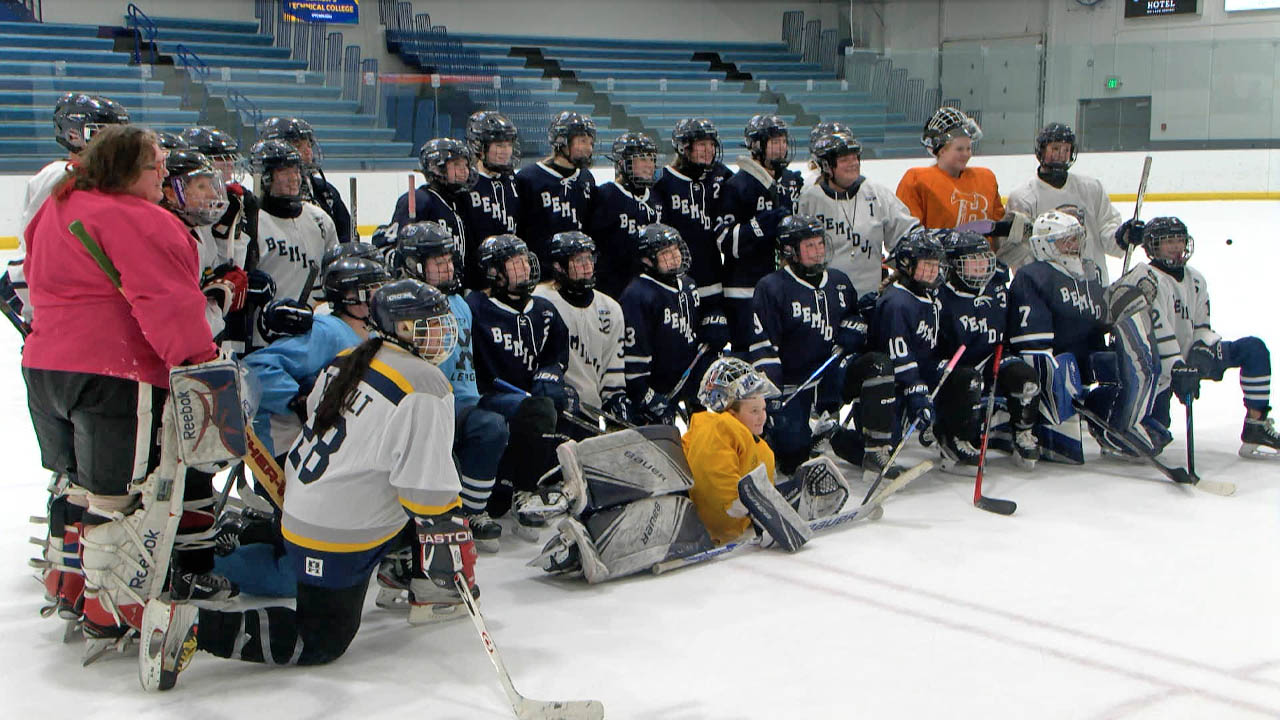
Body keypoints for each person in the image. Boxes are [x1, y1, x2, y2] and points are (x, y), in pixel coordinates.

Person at [143, 279, 476, 690]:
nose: (440, 332)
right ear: (399, 329)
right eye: (425, 324)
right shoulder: (425, 385)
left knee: (437, 475)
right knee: (321, 638)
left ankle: (402, 570)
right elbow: (425, 493)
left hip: (303, 503)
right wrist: (446, 538)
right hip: (335, 533)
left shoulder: (349, 358)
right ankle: (192, 627)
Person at [21, 124, 218, 656]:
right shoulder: (141, 219)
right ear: (130, 170)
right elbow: (169, 304)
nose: (163, 175)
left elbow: (32, 282)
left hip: (44, 369)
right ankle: (109, 613)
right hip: (113, 373)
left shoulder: (56, 208)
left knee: (78, 485)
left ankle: (70, 585)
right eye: (156, 165)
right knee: (119, 501)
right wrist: (201, 361)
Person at [748, 214, 897, 477]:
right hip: (795, 384)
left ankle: (875, 451)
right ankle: (830, 435)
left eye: (820, 244)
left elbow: (853, 317)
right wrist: (771, 395)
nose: (818, 252)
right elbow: (763, 347)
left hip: (834, 377)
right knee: (793, 458)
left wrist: (856, 325)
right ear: (789, 251)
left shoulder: (838, 281)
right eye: (809, 247)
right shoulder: (771, 287)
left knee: (877, 364)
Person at [397, 222, 508, 549]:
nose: (447, 267)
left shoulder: (460, 304)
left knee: (493, 428)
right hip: (426, 406)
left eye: (449, 260)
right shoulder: (401, 308)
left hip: (464, 403)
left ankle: (472, 512)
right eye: (437, 261)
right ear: (416, 265)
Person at [1129, 217, 1278, 459]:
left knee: (1253, 349)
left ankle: (1256, 426)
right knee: (1156, 430)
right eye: (1169, 242)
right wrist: (1177, 369)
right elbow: (1158, 333)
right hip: (1154, 365)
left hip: (1186, 356)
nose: (1177, 247)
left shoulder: (1196, 279)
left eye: (1179, 240)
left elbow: (1202, 325)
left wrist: (1201, 351)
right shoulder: (1146, 279)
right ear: (1152, 246)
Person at [466, 234, 573, 526]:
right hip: (490, 395)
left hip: (530, 396)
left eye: (525, 261)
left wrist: (551, 373)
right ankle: (523, 489)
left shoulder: (543, 309)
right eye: (515, 263)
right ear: (495, 273)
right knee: (538, 411)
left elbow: (556, 351)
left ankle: (543, 480)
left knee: (563, 404)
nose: (525, 268)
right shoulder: (476, 308)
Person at [2, 93, 130, 333]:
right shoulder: (58, 175)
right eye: (100, 132)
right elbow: (38, 245)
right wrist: (36, 311)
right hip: (58, 306)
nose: (113, 143)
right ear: (72, 133)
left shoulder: (108, 178)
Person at [1007, 211, 1112, 464]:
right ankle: (1036, 424)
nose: (1073, 246)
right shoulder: (1033, 276)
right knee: (1045, 363)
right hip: (1056, 360)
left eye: (1075, 239)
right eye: (1065, 241)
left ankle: (1115, 422)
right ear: (1044, 245)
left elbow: (1099, 322)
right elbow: (1032, 341)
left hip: (1084, 355)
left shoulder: (1091, 272)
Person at [935, 229, 1041, 469]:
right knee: (967, 381)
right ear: (952, 266)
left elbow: (1010, 326)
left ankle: (1021, 432)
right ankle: (954, 438)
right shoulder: (939, 296)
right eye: (972, 264)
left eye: (984, 262)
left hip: (993, 358)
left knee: (1026, 379)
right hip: (957, 367)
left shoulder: (997, 289)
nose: (981, 269)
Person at [716, 114, 804, 352]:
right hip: (744, 288)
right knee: (747, 354)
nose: (782, 147)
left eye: (784, 141)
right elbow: (726, 243)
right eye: (775, 142)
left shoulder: (790, 181)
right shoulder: (737, 185)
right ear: (756, 146)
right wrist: (759, 226)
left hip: (784, 284)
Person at [1004, 123, 1132, 282]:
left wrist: (1123, 237)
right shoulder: (1022, 198)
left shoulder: (1091, 189)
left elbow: (1107, 230)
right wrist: (1033, 286)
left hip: (1092, 285)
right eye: (1055, 149)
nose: (1061, 155)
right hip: (1049, 291)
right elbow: (1020, 253)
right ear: (1042, 150)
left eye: (1066, 149)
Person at [872, 230, 955, 472]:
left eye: (935, 265)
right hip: (892, 382)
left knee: (958, 378)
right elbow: (898, 354)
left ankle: (949, 434)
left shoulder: (929, 294)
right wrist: (915, 388)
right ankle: (852, 444)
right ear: (908, 265)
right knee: (891, 437)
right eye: (926, 265)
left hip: (918, 372)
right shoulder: (897, 302)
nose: (933, 271)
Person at [798, 130, 919, 296]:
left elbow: (908, 235)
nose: (853, 163)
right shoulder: (808, 198)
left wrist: (902, 269)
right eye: (844, 159)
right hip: (824, 298)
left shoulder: (876, 193)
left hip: (870, 297)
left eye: (855, 158)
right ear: (827, 165)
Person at [619, 224, 716, 424]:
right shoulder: (637, 295)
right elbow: (633, 361)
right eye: (665, 252)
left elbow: (696, 328)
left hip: (688, 387)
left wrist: (713, 320)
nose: (675, 256)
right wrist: (645, 395)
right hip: (654, 392)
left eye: (675, 249)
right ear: (647, 259)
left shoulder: (688, 284)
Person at [533, 231, 631, 426]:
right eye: (578, 260)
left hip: (591, 412)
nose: (588, 266)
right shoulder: (539, 301)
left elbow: (613, 368)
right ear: (558, 266)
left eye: (590, 258)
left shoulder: (610, 308)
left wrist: (616, 399)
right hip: (551, 408)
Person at [683, 357, 780, 545]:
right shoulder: (719, 428)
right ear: (730, 412)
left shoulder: (759, 447)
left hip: (727, 534)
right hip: (708, 532)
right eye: (753, 411)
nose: (762, 417)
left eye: (763, 409)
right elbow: (719, 503)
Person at [247, 139, 339, 313]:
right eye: (284, 172)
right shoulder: (250, 222)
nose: (294, 179)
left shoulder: (319, 219)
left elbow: (333, 274)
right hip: (265, 333)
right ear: (265, 176)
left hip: (313, 327)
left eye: (296, 171)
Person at [653, 118, 727, 309]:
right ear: (683, 148)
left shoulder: (720, 175)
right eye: (701, 144)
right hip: (675, 280)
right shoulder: (662, 181)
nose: (709, 150)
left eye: (711, 144)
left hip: (713, 278)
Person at [896, 107, 1004, 230]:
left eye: (968, 148)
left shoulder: (986, 179)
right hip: (938, 249)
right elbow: (908, 233)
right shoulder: (916, 181)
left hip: (984, 249)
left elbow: (999, 229)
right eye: (959, 149)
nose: (966, 154)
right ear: (941, 151)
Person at [514, 110, 597, 264]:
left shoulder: (586, 178)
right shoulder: (528, 179)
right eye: (582, 141)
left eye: (591, 143)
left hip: (577, 271)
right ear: (562, 141)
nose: (589, 149)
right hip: (540, 272)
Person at [587, 132, 661, 299]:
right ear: (622, 162)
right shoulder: (605, 196)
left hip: (649, 290)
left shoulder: (656, 198)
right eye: (642, 159)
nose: (649, 165)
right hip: (613, 290)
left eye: (651, 159)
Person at [391, 138, 476, 279]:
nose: (464, 170)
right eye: (456, 164)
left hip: (456, 285)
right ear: (436, 168)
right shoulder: (420, 200)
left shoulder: (462, 200)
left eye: (466, 164)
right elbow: (395, 246)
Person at [261, 116, 352, 243]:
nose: (308, 152)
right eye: (298, 145)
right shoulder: (257, 200)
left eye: (309, 145)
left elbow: (346, 237)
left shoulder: (326, 191)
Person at [459, 111, 521, 288]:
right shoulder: (465, 184)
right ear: (478, 146)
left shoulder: (512, 180)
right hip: (475, 281)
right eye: (499, 145)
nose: (506, 152)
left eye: (508, 145)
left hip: (508, 278)